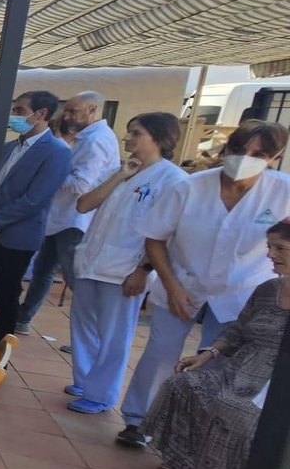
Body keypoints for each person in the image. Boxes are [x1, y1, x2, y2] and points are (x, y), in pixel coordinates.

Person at [117, 121, 290, 447]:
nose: (245, 158)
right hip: (182, 281)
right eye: (239, 150)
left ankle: (197, 434)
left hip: (243, 291)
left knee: (222, 363)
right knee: (160, 355)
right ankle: (138, 421)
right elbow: (155, 238)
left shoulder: (283, 191)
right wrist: (172, 287)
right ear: (226, 150)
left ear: (274, 157)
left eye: (258, 153)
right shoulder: (190, 187)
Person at [141, 225, 290, 469]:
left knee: (235, 409)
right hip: (238, 372)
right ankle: (186, 462)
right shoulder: (268, 289)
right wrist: (207, 354)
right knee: (182, 384)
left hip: (273, 385)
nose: (270, 254)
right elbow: (238, 330)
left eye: (280, 248)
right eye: (269, 246)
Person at [64, 114, 187, 415]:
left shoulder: (172, 180)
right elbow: (83, 205)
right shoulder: (124, 172)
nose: (127, 138)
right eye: (129, 132)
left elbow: (167, 234)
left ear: (158, 138)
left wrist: (143, 269)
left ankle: (101, 393)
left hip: (125, 269)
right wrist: (119, 175)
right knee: (83, 327)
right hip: (92, 261)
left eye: (136, 133)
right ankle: (84, 381)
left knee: (114, 336)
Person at [16, 91, 122, 335]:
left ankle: (93, 333)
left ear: (93, 110)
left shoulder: (97, 141)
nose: (68, 116)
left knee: (75, 278)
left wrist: (51, 172)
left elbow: (82, 185)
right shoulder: (84, 137)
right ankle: (23, 318)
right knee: (43, 270)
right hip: (61, 218)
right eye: (68, 111)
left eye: (74, 111)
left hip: (75, 221)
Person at [0, 91, 72, 345]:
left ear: (41, 114)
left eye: (20, 111)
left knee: (5, 295)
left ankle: (0, 352)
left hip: (16, 236)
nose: (14, 116)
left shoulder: (56, 152)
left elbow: (34, 200)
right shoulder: (9, 147)